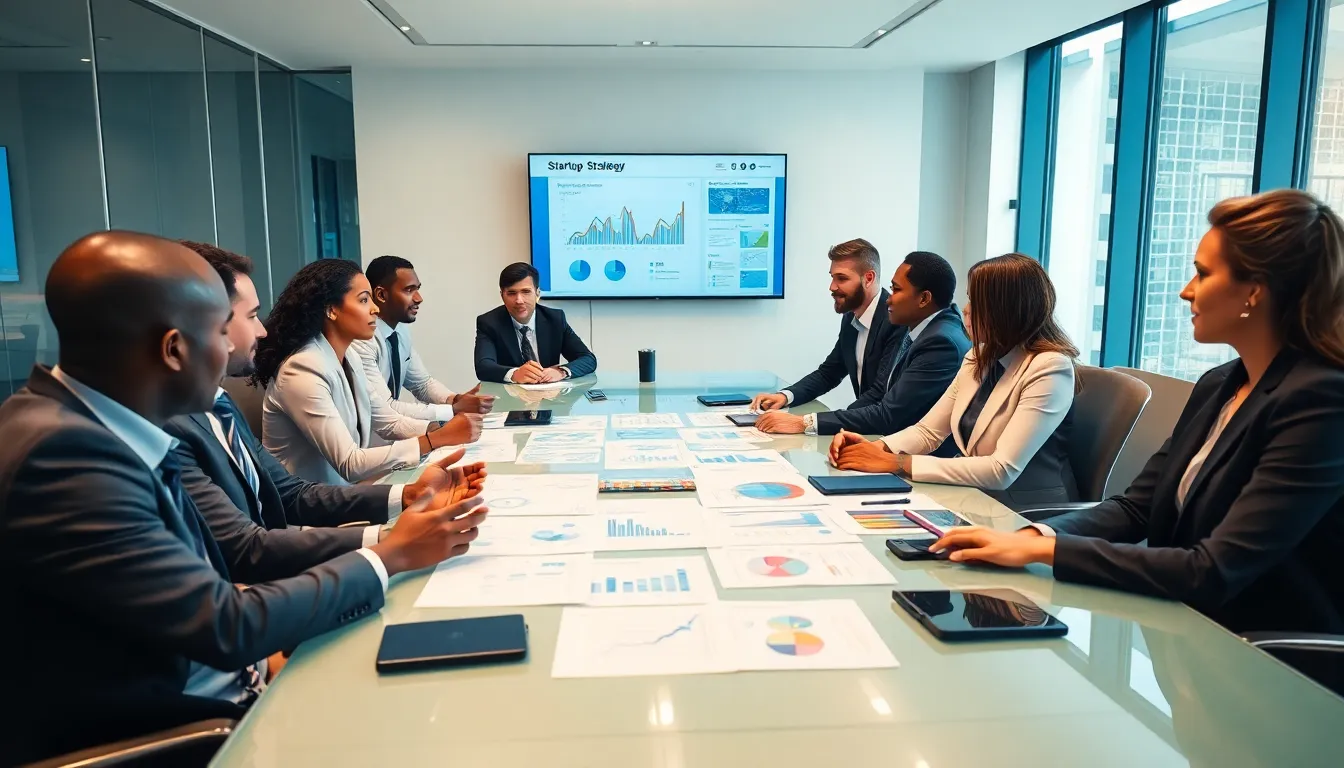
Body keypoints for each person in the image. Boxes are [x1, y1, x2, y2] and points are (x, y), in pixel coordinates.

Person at [0, 231, 488, 763]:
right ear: (174, 349)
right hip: (184, 730)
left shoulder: (103, 424)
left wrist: (401, 507)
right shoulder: (65, 457)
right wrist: (388, 555)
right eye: (223, 328)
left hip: (232, 676)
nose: (251, 338)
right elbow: (224, 622)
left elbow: (249, 536)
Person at [928, 189, 1344, 635]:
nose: (1187, 291)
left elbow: (1213, 569)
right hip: (1183, 628)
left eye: (1203, 274)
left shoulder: (1320, 401)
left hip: (1265, 656)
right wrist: (1032, 537)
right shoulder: (1219, 384)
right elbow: (1135, 508)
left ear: (1255, 292)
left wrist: (1044, 552)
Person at [166, 243, 457, 549]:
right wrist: (389, 543)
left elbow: (291, 492)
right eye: (250, 316)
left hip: (320, 511)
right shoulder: (301, 368)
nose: (262, 331)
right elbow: (248, 546)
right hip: (303, 531)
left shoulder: (220, 404)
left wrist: (409, 493)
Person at [831, 253, 1080, 507]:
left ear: (1007, 309)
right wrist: (877, 448)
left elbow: (1001, 470)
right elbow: (929, 432)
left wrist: (898, 463)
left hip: (1024, 512)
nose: (966, 309)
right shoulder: (979, 356)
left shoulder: (1050, 368)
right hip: (973, 499)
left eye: (976, 301)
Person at [255, 260, 482, 485]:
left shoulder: (348, 356)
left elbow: (387, 421)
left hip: (344, 492)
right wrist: (435, 439)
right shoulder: (301, 369)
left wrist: (441, 428)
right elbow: (350, 463)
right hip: (309, 507)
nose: (374, 308)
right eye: (364, 300)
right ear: (331, 310)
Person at [757, 251, 969, 439]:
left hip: (921, 459)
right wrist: (787, 397)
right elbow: (830, 371)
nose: (889, 299)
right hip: (890, 442)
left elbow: (886, 407)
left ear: (924, 299)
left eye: (896, 290)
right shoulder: (921, 326)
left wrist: (808, 423)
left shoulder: (938, 341)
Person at [750, 239, 903, 414]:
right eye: (832, 277)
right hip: (867, 426)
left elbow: (880, 392)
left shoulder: (896, 319)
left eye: (842, 278)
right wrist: (785, 396)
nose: (832, 287)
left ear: (868, 278)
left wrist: (816, 423)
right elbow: (829, 373)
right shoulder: (850, 318)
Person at [353, 255, 495, 431]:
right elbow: (386, 407)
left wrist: (455, 399)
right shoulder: (361, 340)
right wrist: (451, 410)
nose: (419, 298)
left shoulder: (400, 331)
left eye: (417, 289)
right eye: (408, 290)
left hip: (396, 437)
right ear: (381, 295)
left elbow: (422, 383)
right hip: (369, 444)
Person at [474, 262, 597, 383]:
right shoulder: (489, 323)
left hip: (549, 397)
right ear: (502, 295)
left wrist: (561, 371)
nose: (519, 300)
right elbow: (483, 367)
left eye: (526, 292)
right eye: (511, 293)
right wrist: (514, 374)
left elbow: (588, 359)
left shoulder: (555, 319)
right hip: (509, 397)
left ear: (537, 293)